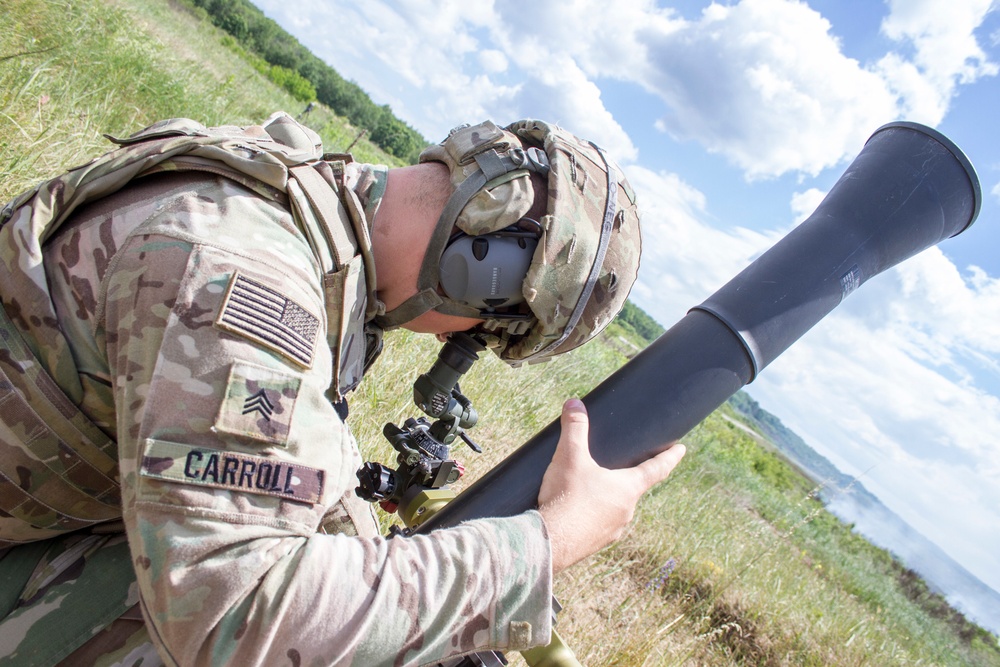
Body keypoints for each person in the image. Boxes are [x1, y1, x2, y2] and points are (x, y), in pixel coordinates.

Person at [0, 112, 685, 665]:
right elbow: (241, 622)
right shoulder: (247, 276)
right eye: (483, 330)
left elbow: (278, 480)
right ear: (483, 271)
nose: (453, 342)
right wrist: (545, 544)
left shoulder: (304, 215)